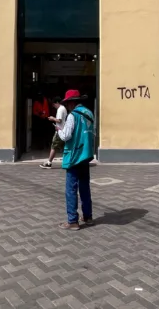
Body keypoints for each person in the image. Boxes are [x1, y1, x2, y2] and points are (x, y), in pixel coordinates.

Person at [56, 90, 95, 229]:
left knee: (71, 189)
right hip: (86, 155)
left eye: (67, 103)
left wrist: (58, 129)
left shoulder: (73, 116)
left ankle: (72, 221)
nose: (67, 106)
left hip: (74, 156)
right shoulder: (89, 113)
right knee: (85, 187)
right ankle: (88, 216)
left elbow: (66, 136)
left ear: (71, 102)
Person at [40, 97, 67, 169]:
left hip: (60, 131)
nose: (53, 106)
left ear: (57, 102)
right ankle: (67, 161)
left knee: (54, 146)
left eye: (54, 104)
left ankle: (49, 163)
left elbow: (59, 120)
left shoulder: (60, 109)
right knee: (63, 146)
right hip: (61, 129)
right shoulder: (63, 108)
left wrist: (52, 118)